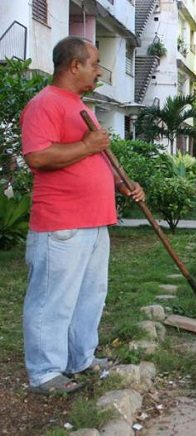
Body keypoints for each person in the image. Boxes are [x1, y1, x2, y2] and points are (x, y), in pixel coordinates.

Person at [20, 36, 145, 395]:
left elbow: (98, 152)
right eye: (94, 64)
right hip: (61, 222)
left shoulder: (80, 105)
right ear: (74, 65)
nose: (99, 71)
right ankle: (45, 372)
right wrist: (87, 146)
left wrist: (123, 181)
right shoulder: (45, 104)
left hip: (93, 220)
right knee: (52, 298)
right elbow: (37, 157)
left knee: (90, 295)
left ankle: (81, 359)